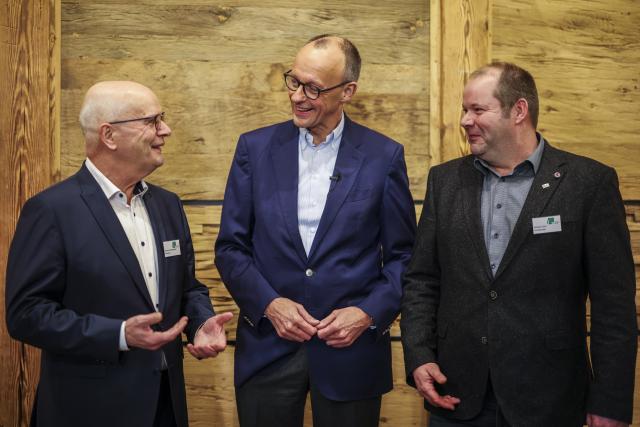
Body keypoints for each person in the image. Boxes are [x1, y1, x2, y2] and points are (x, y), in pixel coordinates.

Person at [400, 62, 637, 427]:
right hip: (457, 396)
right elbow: (422, 280)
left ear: (519, 111)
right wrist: (419, 355)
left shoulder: (588, 183)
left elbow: (614, 304)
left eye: (478, 110)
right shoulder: (444, 182)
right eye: (465, 109)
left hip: (550, 400)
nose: (465, 120)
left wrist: (610, 401)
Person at [215, 35, 416, 427]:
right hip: (268, 350)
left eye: (313, 88)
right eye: (293, 81)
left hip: (352, 353)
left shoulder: (384, 156)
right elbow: (230, 247)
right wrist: (270, 304)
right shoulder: (253, 149)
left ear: (348, 92)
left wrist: (367, 312)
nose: (297, 96)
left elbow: (404, 257)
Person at [5, 81, 233, 427]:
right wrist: (118, 334)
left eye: (163, 119)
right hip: (88, 409)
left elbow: (188, 289)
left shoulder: (168, 205)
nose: (165, 130)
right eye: (152, 121)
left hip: (164, 406)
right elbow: (26, 315)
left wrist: (200, 323)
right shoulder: (51, 210)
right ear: (109, 136)